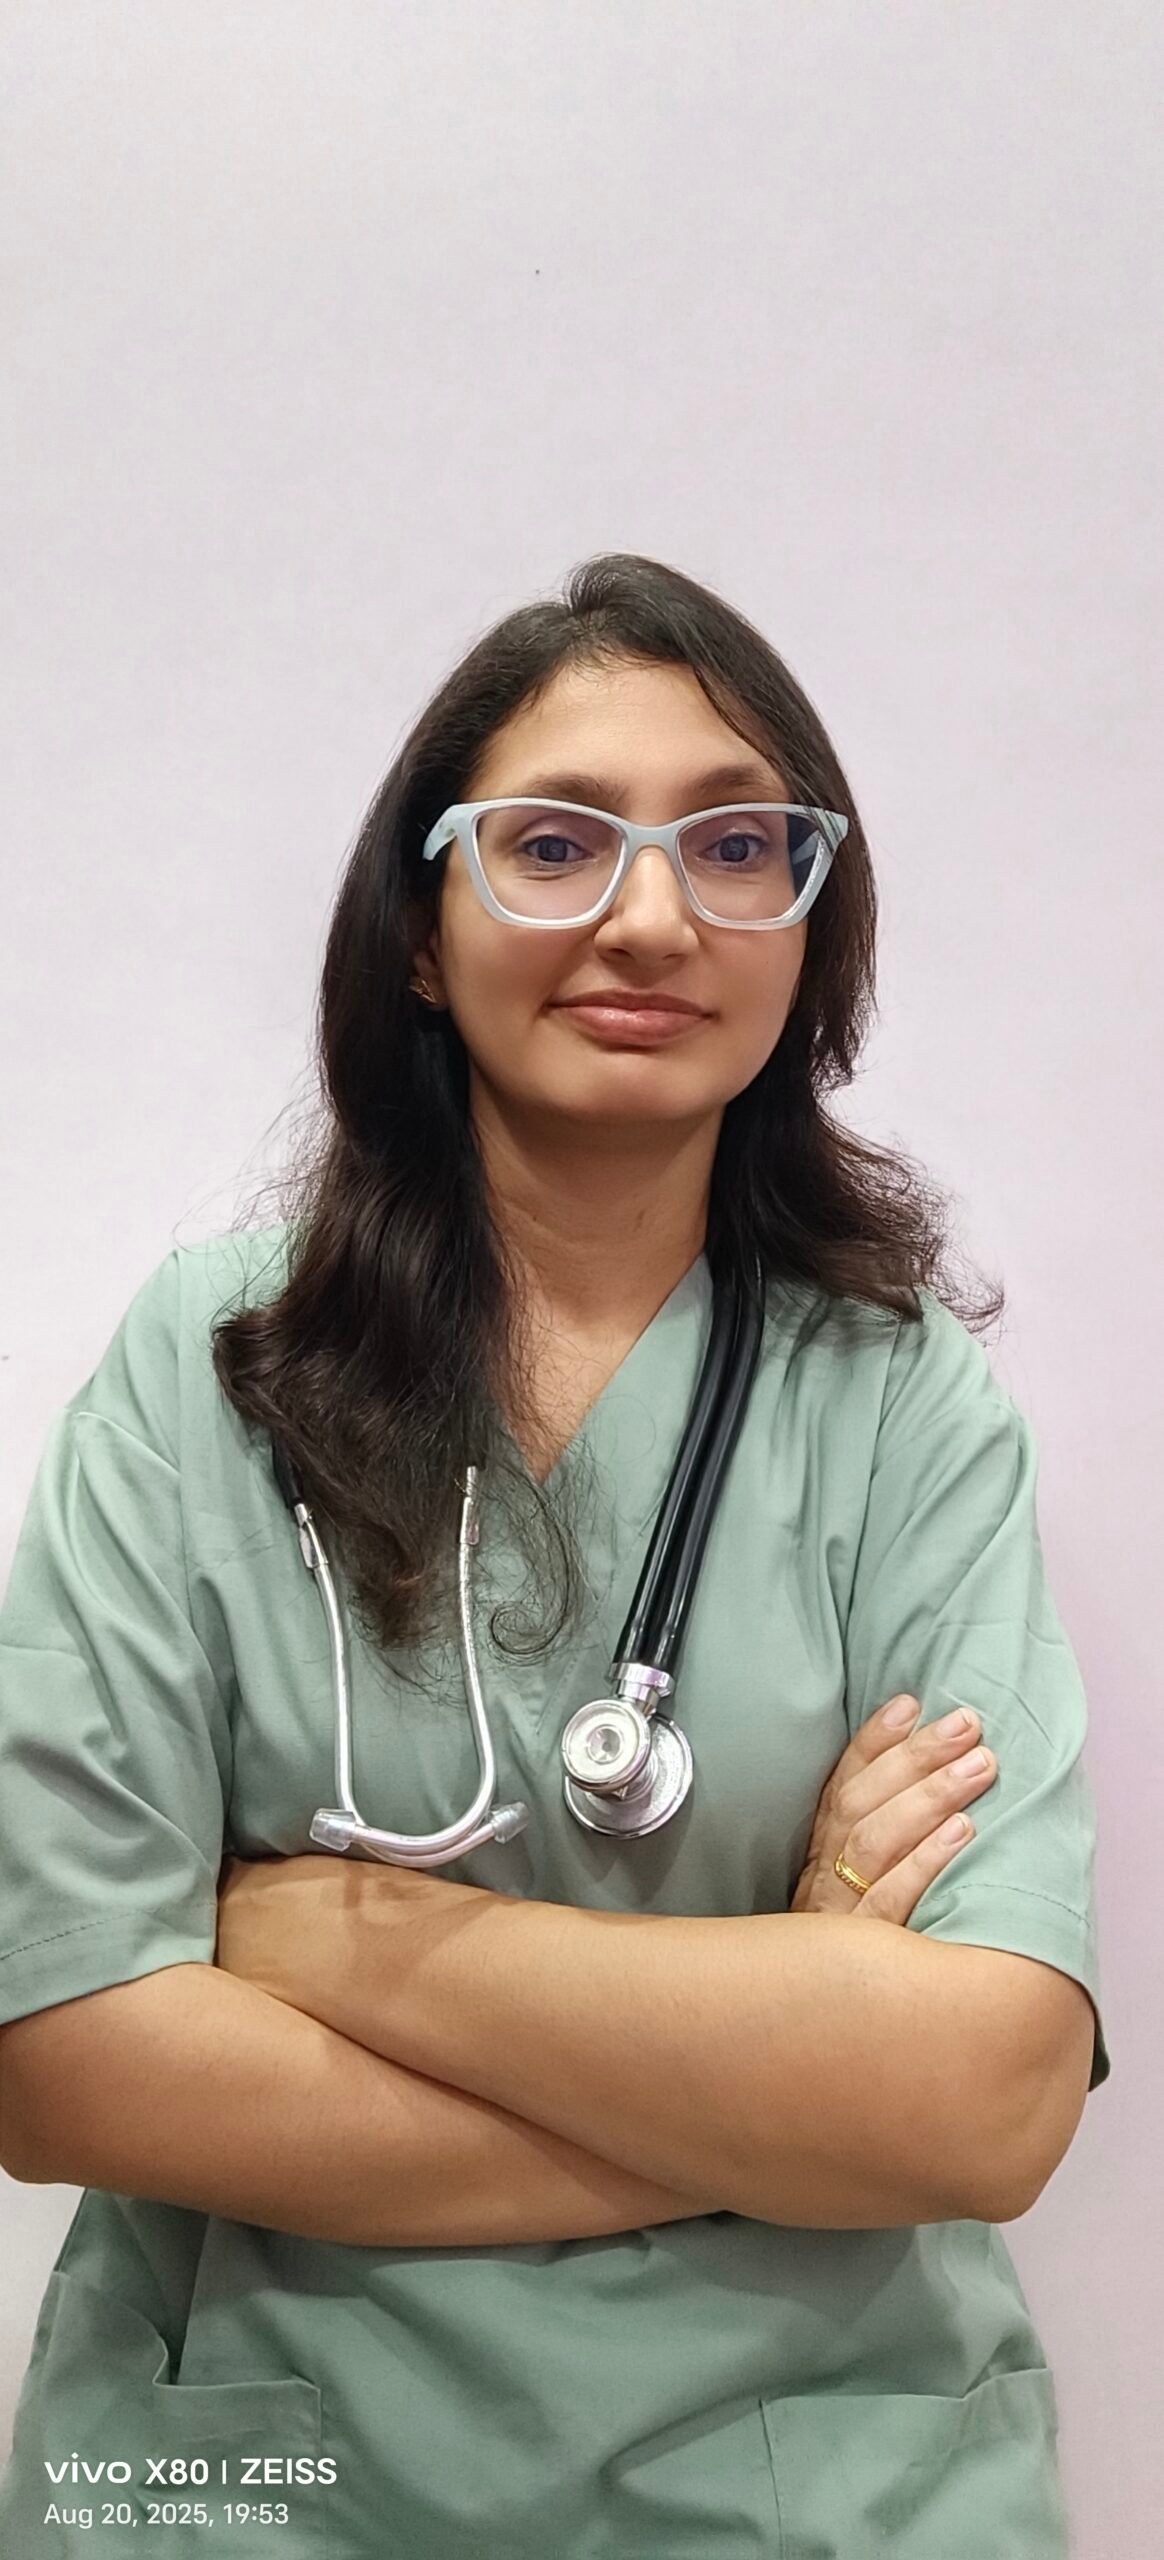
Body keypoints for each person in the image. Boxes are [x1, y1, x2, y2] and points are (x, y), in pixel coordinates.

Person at [0, 552, 1109, 2558]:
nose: (653, 915)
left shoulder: (905, 1404)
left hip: (818, 2484)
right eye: (554, 841)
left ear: (809, 929)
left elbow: (987, 2103)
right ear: (422, 932)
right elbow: (67, 2060)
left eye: (738, 845)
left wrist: (345, 1938)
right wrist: (776, 2082)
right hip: (262, 2484)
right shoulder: (209, 1364)